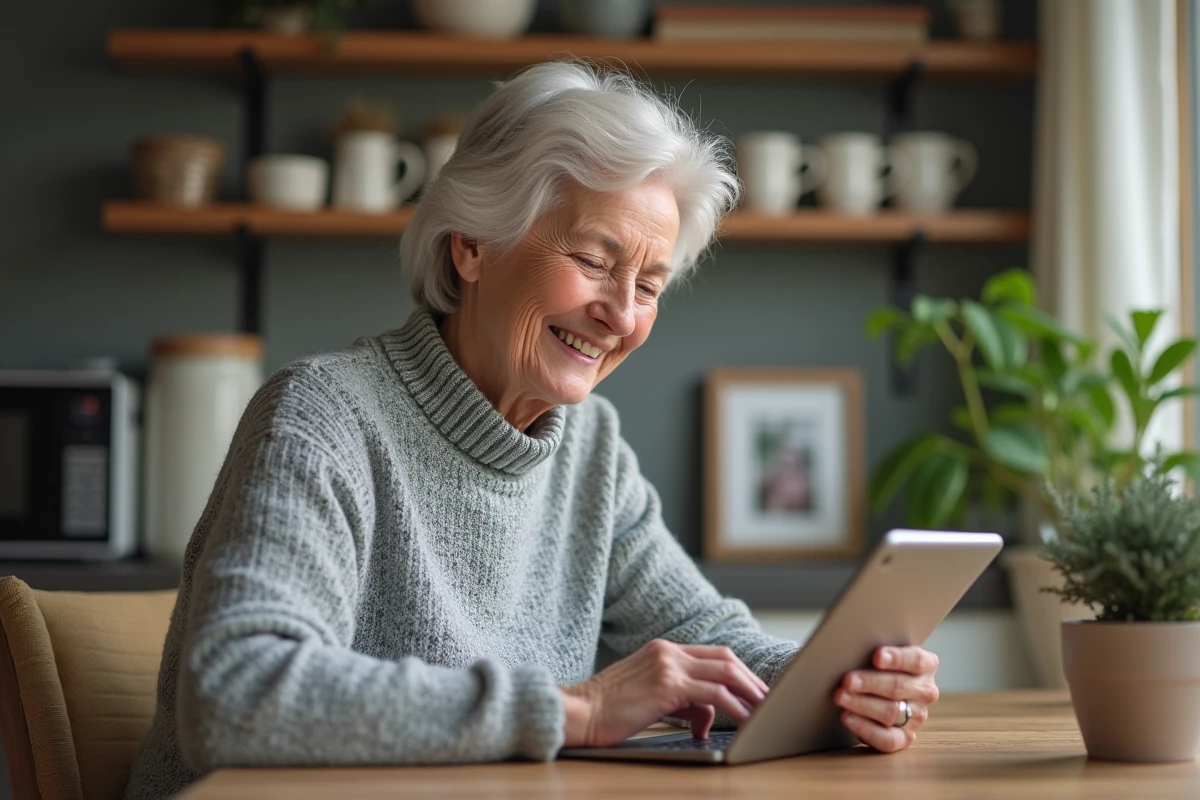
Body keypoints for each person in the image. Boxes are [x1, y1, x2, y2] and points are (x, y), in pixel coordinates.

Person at [121, 62, 940, 800]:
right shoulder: (323, 416)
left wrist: (833, 683)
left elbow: (704, 636)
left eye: (649, 284)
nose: (620, 315)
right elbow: (239, 698)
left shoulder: (589, 445)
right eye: (593, 260)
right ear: (473, 244)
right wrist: (576, 709)